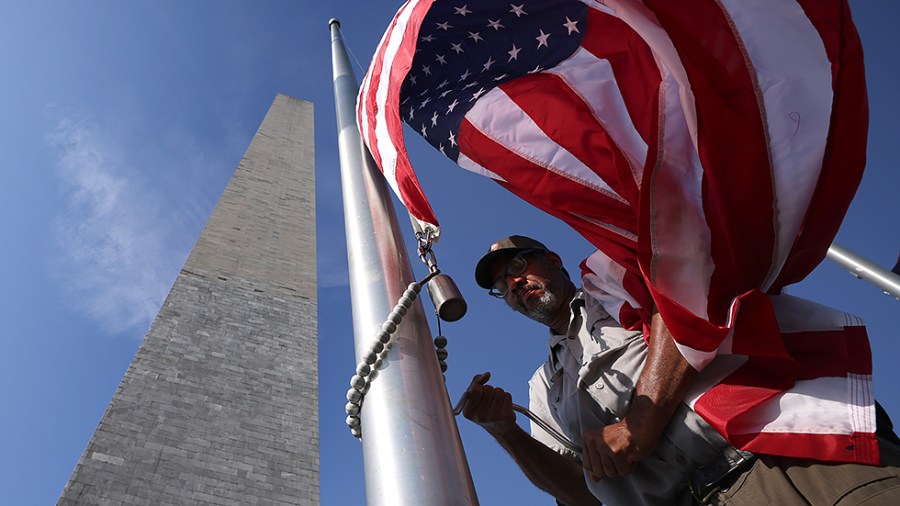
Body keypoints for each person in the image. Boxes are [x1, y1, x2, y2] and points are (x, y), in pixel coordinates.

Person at [460, 235, 900, 505]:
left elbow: (684, 293)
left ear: (552, 259)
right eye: (502, 287)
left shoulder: (608, 278)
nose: (514, 284)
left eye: (518, 266)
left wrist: (639, 422)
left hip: (801, 457)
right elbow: (580, 494)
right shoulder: (543, 386)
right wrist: (506, 431)